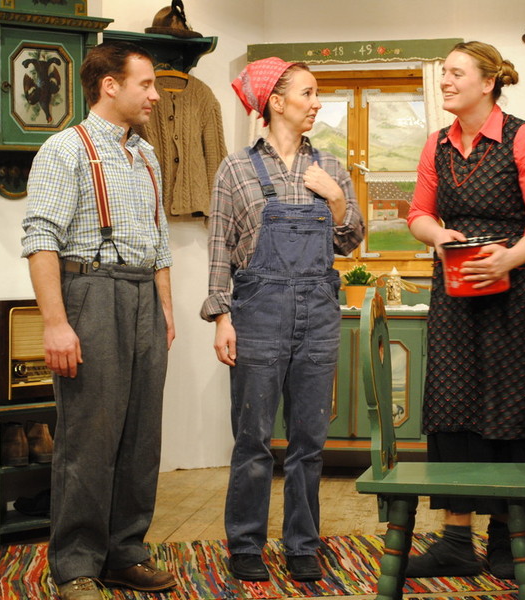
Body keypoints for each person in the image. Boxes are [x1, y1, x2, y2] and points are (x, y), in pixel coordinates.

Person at [405, 41, 525, 580]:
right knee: (453, 405)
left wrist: (507, 259)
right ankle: (456, 542)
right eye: (444, 73)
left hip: (520, 300)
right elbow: (418, 214)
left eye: (457, 73)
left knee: (515, 410)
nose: (446, 81)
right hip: (456, 299)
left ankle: (508, 537)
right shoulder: (436, 145)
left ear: (488, 83)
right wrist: (438, 236)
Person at [21, 41, 176, 600]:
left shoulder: (147, 155)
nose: (155, 96)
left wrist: (165, 308)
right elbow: (41, 239)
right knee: (89, 437)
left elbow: (159, 240)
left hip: (143, 297)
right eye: (146, 84)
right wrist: (55, 323)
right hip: (91, 292)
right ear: (110, 85)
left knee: (141, 437)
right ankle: (76, 565)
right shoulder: (65, 149)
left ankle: (124, 553)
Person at [201, 57, 364, 583]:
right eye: (308, 93)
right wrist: (221, 317)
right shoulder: (236, 169)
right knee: (252, 439)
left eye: (317, 94)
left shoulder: (331, 167)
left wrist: (335, 198)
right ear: (275, 101)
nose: (317, 103)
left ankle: (302, 544)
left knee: (308, 441)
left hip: (318, 311)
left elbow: (350, 240)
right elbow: (219, 249)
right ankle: (246, 544)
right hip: (258, 311)